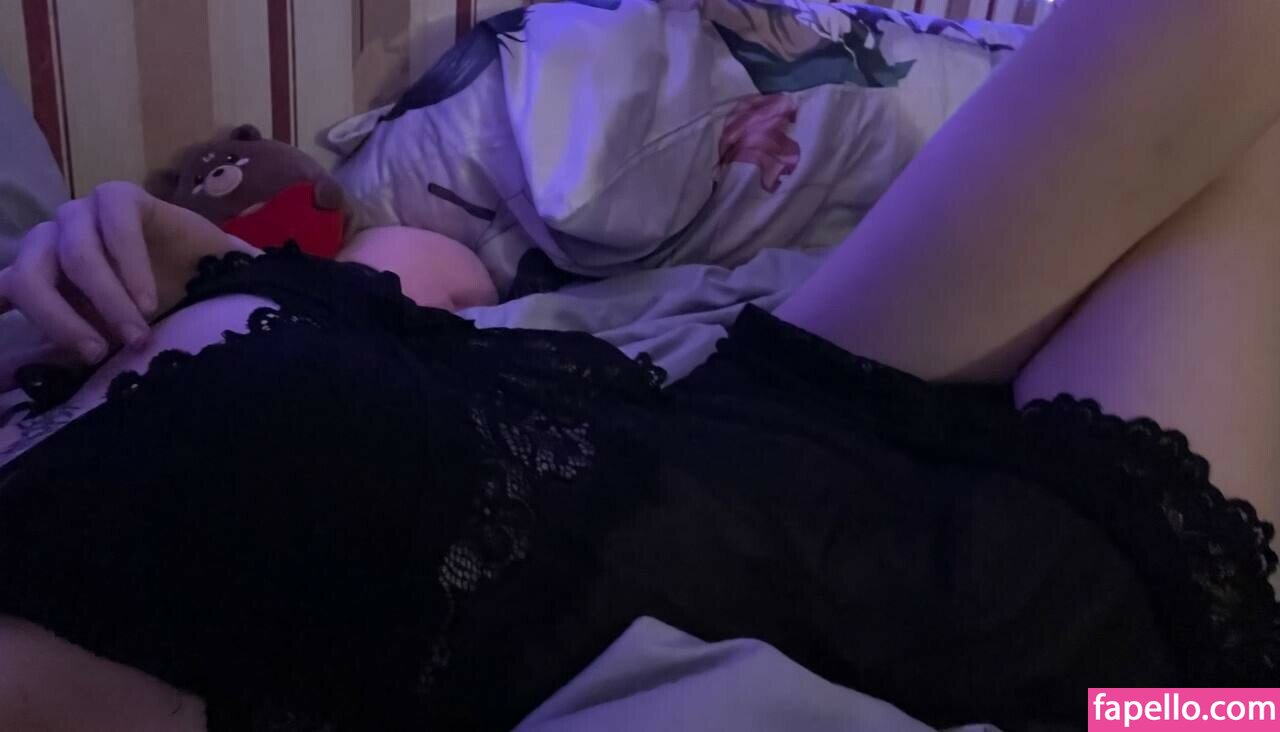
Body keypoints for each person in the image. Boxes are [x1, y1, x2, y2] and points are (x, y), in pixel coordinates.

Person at [1, 0, 1278, 729]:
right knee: (1208, 692)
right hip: (906, 613)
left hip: (752, 413)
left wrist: (189, 251)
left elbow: (438, 282)